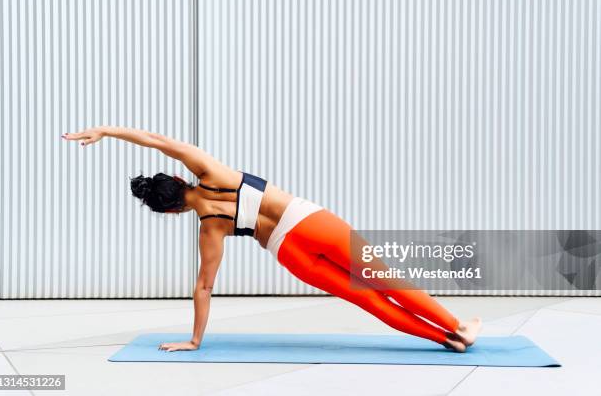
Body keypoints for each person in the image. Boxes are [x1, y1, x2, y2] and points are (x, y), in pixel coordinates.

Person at [62, 126, 482, 353]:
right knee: (385, 280)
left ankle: (446, 340)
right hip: (312, 224)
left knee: (366, 298)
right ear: (175, 178)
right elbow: (160, 142)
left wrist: (194, 341)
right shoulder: (213, 172)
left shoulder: (209, 228)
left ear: (172, 211)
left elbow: (204, 287)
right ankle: (458, 326)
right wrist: (106, 131)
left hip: (288, 252)